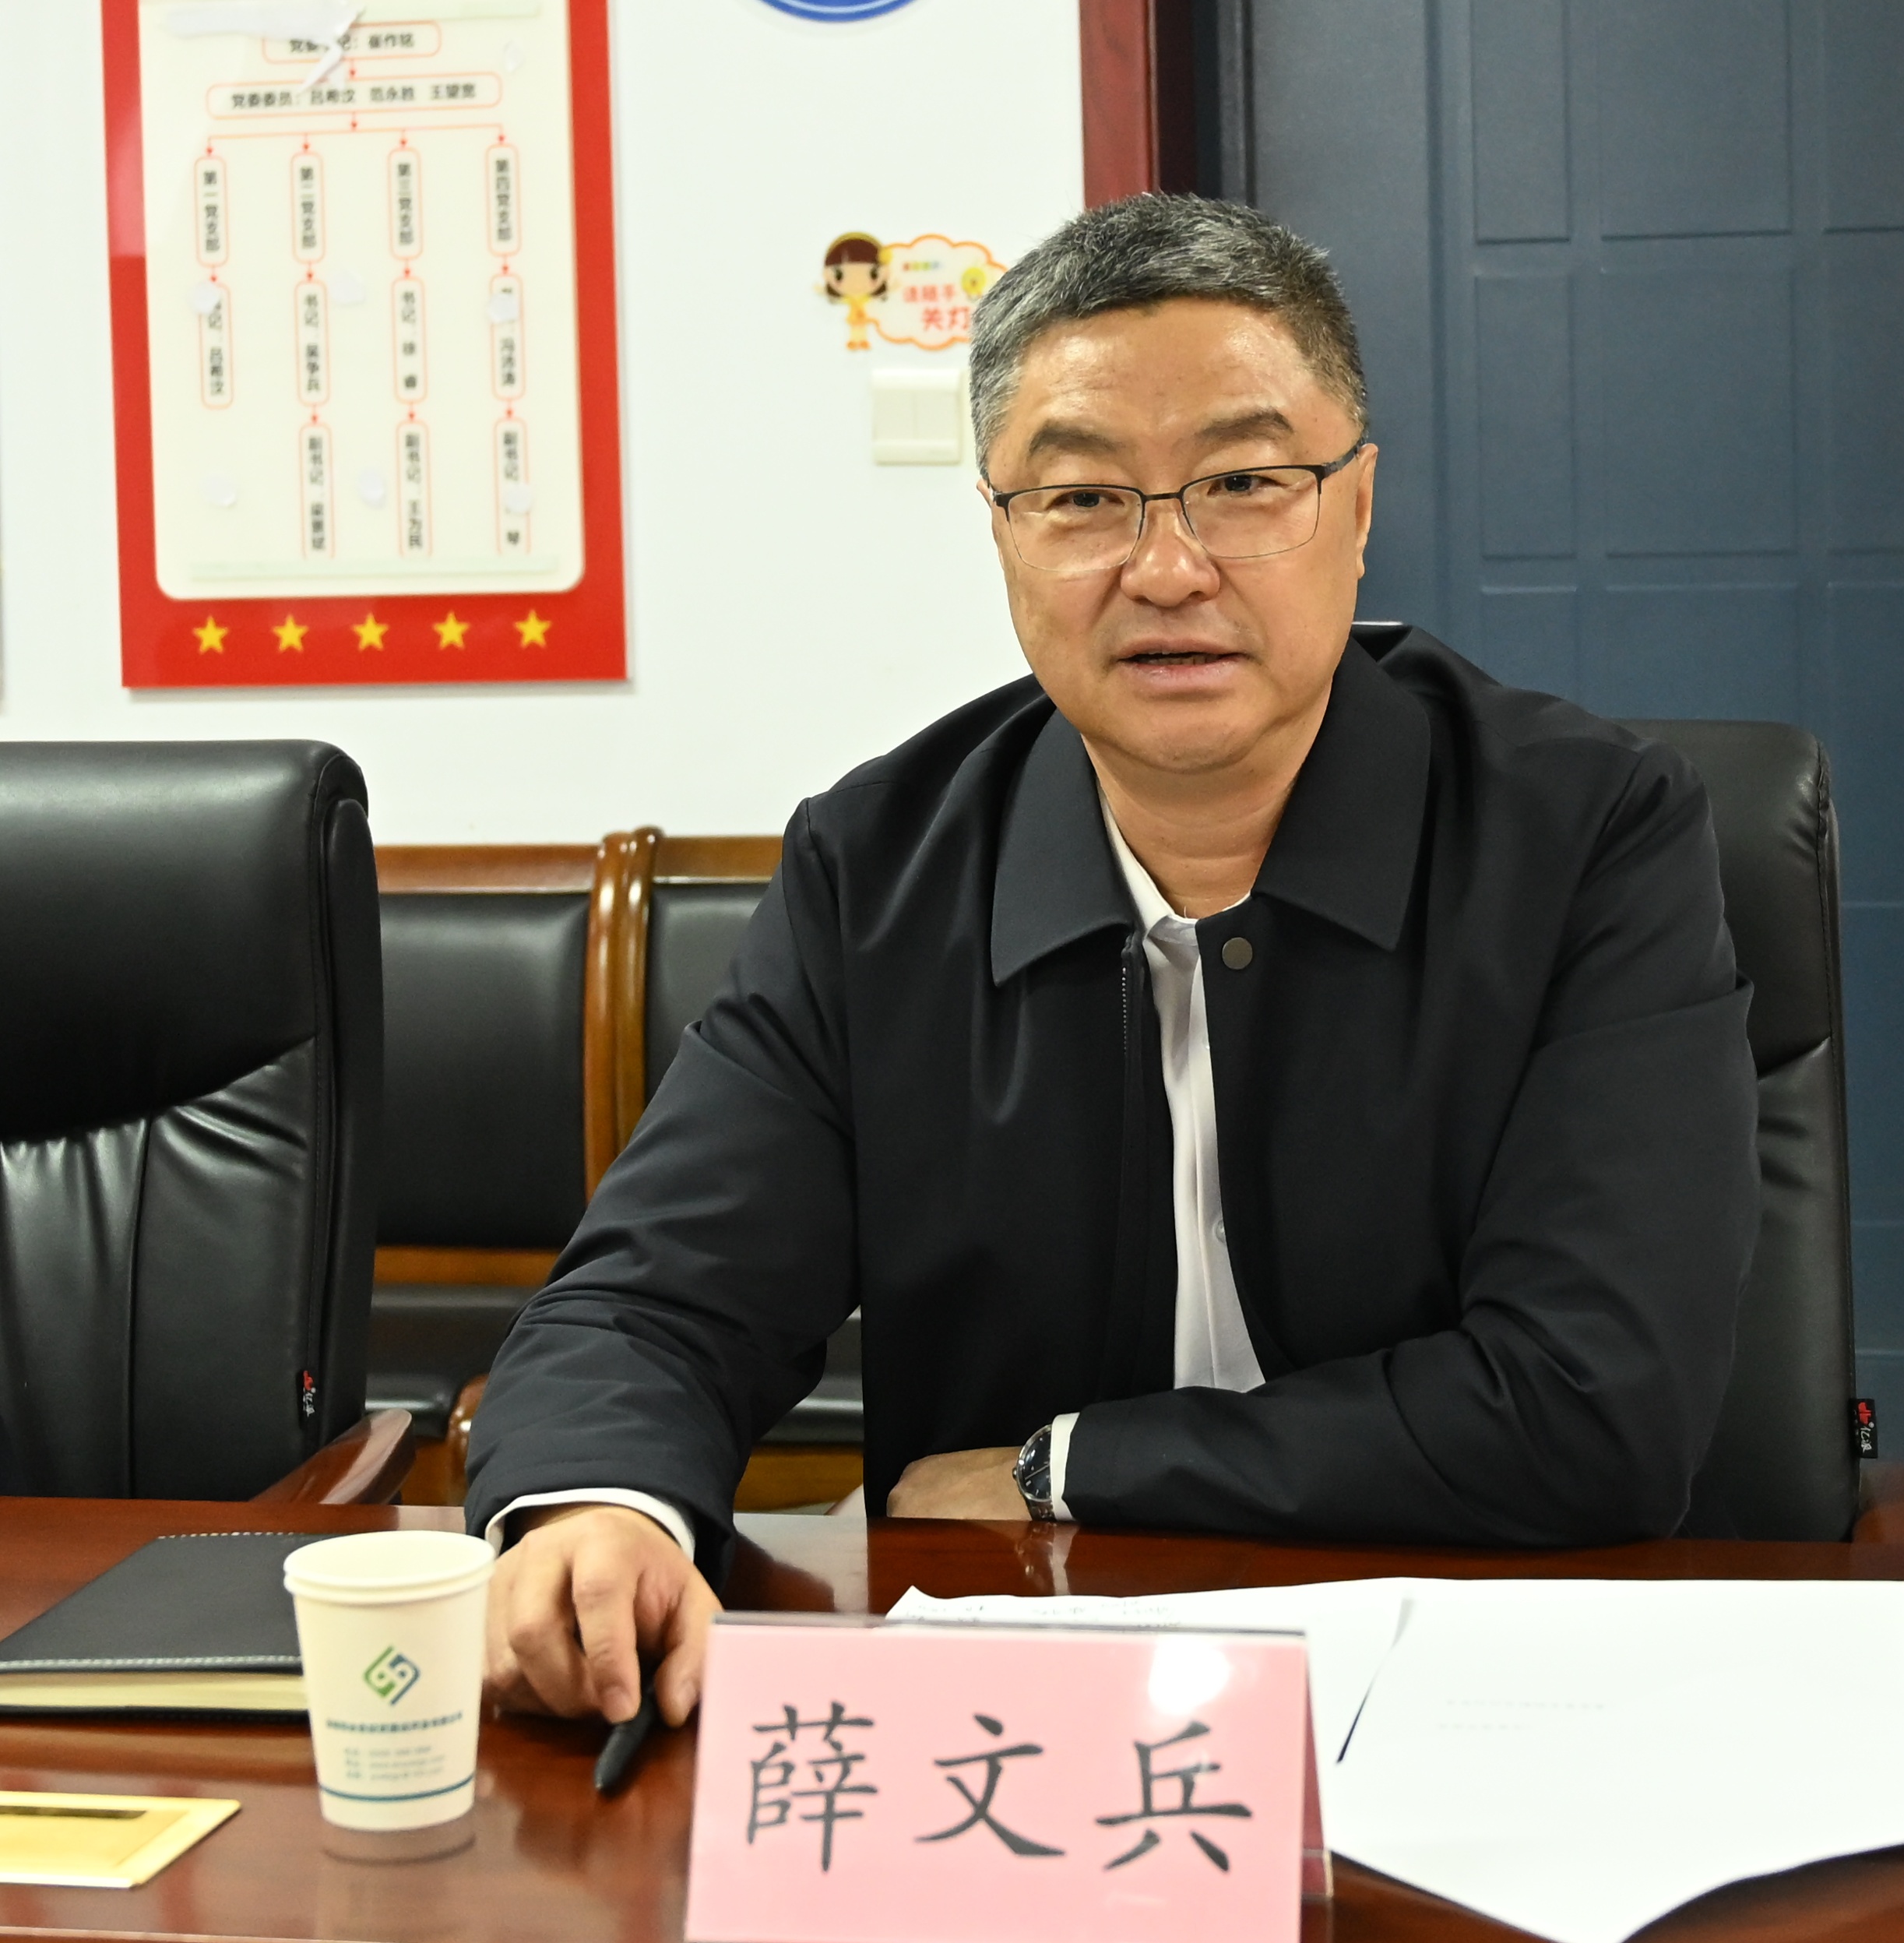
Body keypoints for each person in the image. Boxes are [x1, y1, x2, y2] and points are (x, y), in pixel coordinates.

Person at [466, 195, 1760, 1730]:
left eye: (1245, 482)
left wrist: (1065, 1467)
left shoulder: (1582, 837)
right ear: (1002, 534)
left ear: (1356, 508)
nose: (1166, 566)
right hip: (1030, 1720)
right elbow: (653, 1301)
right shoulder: (877, 872)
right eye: (1081, 498)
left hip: (1496, 1687)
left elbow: (1591, 1406)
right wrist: (597, 1506)